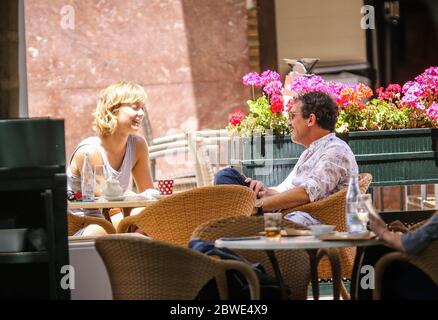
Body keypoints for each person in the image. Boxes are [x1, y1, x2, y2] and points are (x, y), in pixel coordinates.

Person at [215, 91, 358, 216]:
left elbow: (306, 193)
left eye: (292, 116)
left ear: (310, 119)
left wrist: (258, 206)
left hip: (305, 219)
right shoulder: (310, 152)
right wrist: (263, 189)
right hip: (286, 211)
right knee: (228, 176)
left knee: (207, 240)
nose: (288, 122)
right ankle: (224, 237)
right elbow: (284, 191)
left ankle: (223, 239)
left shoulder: (336, 151)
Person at [67, 81, 154, 236]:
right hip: (81, 224)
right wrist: (133, 200)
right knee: (100, 231)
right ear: (113, 110)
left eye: (142, 108)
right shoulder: (90, 151)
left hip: (109, 218)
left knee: (146, 221)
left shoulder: (138, 146)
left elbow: (147, 194)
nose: (141, 113)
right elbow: (104, 198)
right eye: (135, 107)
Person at [365, 213, 438, 299]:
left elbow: (409, 245)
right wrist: (407, 233)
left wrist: (382, 231)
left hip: (430, 282)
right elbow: (426, 239)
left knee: (375, 251)